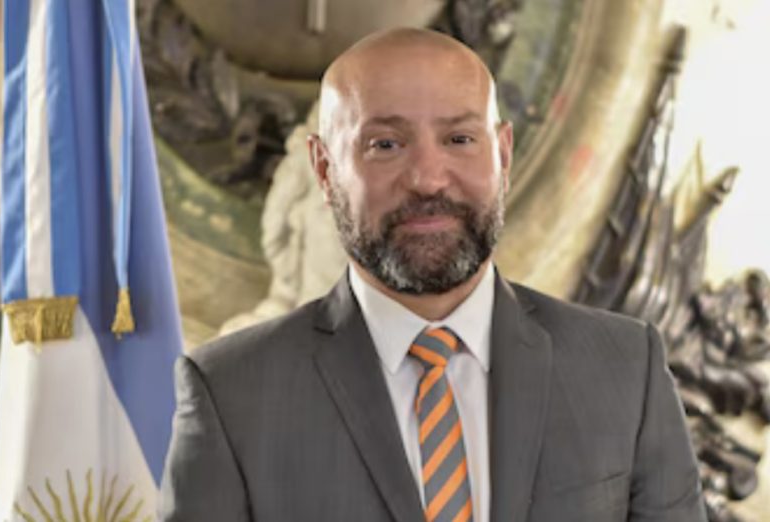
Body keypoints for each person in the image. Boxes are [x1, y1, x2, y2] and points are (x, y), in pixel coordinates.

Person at [159, 28, 705, 522]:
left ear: (503, 154)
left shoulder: (626, 370)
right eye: (385, 145)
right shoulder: (230, 394)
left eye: (459, 139)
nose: (427, 178)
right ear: (324, 169)